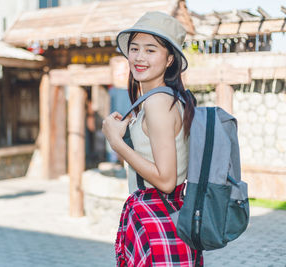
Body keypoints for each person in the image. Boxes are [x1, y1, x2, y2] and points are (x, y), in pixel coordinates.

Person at [102, 12, 203, 266]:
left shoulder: (158, 102)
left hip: (161, 222)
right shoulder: (167, 99)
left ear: (170, 59)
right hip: (166, 220)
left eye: (150, 50)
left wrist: (117, 144)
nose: (139, 57)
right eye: (134, 48)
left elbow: (167, 180)